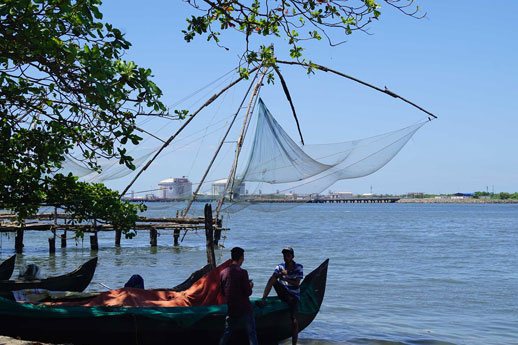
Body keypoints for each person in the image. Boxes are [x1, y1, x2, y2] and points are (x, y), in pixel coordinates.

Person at [257, 247, 303, 345]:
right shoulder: (280, 267)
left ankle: (294, 343)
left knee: (294, 321)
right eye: (284, 255)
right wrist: (279, 275)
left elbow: (297, 284)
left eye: (288, 255)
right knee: (273, 278)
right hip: (283, 292)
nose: (286, 257)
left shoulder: (299, 267)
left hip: (293, 295)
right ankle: (263, 299)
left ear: (292, 256)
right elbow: (273, 278)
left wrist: (284, 278)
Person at [219, 247, 258, 345]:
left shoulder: (223, 273)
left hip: (232, 308)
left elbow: (223, 293)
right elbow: (248, 292)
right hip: (244, 308)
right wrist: (250, 285)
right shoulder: (243, 272)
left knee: (227, 332)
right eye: (243, 257)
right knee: (251, 334)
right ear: (241, 257)